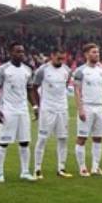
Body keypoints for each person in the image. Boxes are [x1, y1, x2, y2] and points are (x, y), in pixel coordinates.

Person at [0, 41, 37, 183]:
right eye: (17, 51)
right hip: (8, 111)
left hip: (23, 111)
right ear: (10, 53)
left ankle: (24, 172)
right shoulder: (3, 69)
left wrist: (35, 106)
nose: (21, 54)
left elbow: (29, 90)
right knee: (3, 142)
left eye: (22, 51)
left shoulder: (27, 70)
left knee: (25, 142)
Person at [31, 47, 71, 179]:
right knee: (42, 139)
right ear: (52, 56)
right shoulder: (42, 70)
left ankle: (61, 168)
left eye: (62, 58)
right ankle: (37, 169)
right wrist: (37, 106)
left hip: (62, 109)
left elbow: (64, 87)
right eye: (58, 57)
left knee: (63, 138)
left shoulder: (67, 70)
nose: (61, 60)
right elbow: (33, 88)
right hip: (47, 109)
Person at [73, 42, 102, 177]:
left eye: (98, 52)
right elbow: (76, 91)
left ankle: (95, 167)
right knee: (82, 138)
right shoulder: (80, 71)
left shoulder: (101, 71)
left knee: (98, 138)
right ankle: (82, 167)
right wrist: (80, 109)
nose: (97, 54)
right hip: (87, 106)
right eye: (94, 52)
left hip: (99, 107)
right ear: (86, 54)